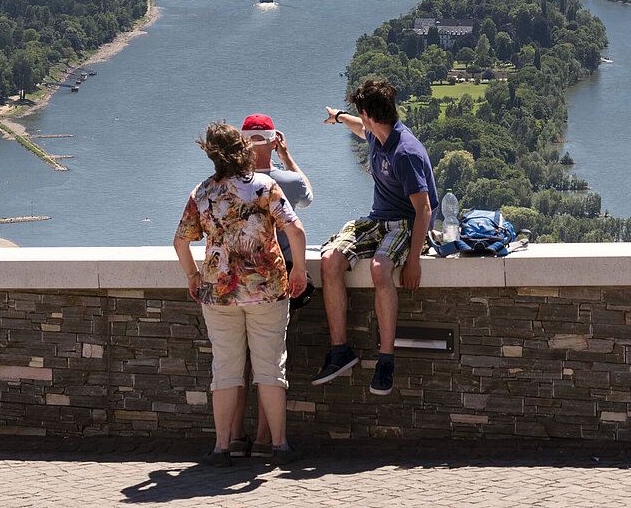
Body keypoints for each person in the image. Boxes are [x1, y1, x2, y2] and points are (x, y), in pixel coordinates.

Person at [174, 121, 307, 468]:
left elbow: (180, 241)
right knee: (270, 367)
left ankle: (222, 447)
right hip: (267, 290)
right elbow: (295, 228)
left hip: (218, 293)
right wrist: (299, 271)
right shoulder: (264, 186)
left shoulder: (201, 193)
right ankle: (278, 445)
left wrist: (192, 276)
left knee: (226, 370)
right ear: (243, 150)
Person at [314, 78, 438, 396]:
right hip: (377, 220)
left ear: (369, 113)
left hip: (406, 223)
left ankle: (386, 360)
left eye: (361, 114)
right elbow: (360, 128)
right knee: (329, 260)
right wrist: (340, 116)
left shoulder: (405, 152)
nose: (362, 121)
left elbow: (423, 210)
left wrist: (413, 262)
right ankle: (340, 351)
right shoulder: (377, 133)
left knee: (380, 268)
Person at [230, 113, 314, 456]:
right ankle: (265, 439)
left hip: (233, 280)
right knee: (268, 360)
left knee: (234, 363)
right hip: (274, 280)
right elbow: (307, 195)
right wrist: (287, 156)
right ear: (272, 141)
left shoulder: (226, 183)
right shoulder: (286, 182)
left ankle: (234, 438)